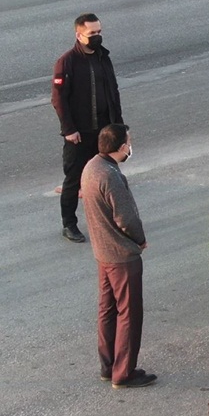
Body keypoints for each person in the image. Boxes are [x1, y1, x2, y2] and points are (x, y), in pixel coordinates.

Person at [80, 124, 156, 389]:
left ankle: (108, 364)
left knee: (108, 310)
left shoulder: (91, 167)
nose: (130, 146)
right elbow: (125, 217)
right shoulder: (110, 176)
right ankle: (124, 372)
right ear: (121, 147)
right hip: (121, 255)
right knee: (129, 314)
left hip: (103, 253)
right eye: (129, 142)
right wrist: (140, 239)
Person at [52, 12, 125, 243]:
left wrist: (119, 127)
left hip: (104, 131)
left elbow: (113, 92)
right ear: (79, 35)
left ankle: (109, 219)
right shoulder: (67, 61)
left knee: (107, 176)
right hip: (79, 134)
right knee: (74, 180)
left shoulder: (103, 57)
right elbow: (58, 99)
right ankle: (69, 224)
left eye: (99, 32)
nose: (97, 37)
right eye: (92, 33)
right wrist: (69, 129)